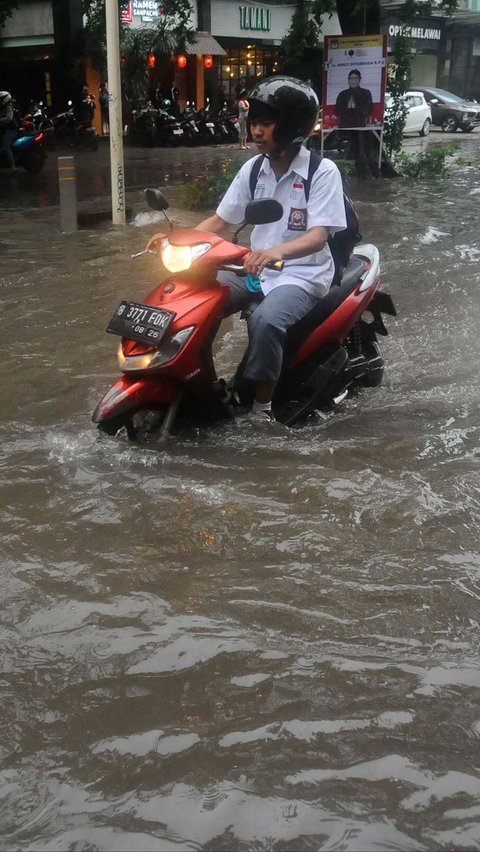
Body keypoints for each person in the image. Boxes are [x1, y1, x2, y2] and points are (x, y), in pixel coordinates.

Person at [195, 76, 346, 421]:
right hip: (253, 269)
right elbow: (221, 221)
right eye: (254, 123)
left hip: (302, 274)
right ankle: (198, 383)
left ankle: (262, 409)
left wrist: (276, 252)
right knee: (197, 297)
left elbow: (319, 235)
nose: (257, 131)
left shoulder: (322, 173)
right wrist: (176, 239)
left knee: (265, 321)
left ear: (291, 125)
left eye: (266, 123)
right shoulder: (253, 171)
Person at [0, 91, 18, 174]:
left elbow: (9, 118)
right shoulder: (4, 106)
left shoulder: (9, 106)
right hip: (6, 129)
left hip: (11, 130)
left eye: (1, 98)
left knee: (6, 146)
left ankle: (13, 166)